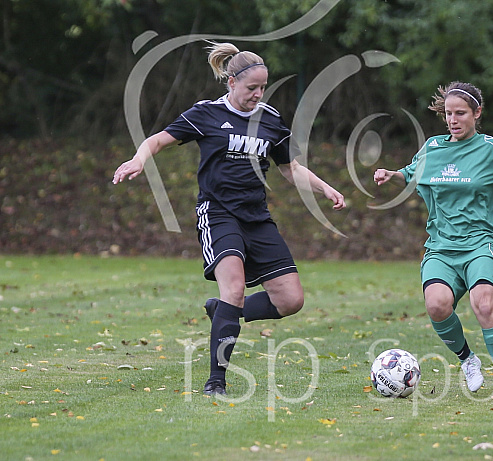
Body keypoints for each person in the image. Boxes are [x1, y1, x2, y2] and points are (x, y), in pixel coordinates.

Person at [113, 42, 345, 395]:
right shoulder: (205, 114)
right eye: (252, 87)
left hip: (257, 217)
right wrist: (138, 160)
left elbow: (290, 168)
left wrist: (325, 189)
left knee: (291, 300)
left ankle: (221, 311)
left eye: (263, 87)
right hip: (218, 214)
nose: (258, 94)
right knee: (233, 289)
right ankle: (215, 382)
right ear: (231, 82)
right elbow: (158, 141)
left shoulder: (270, 119)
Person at [373, 82, 493, 400]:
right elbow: (412, 172)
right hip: (440, 246)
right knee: (436, 306)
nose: (453, 119)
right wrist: (391, 174)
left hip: (482, 244)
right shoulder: (433, 148)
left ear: (477, 113)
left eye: (461, 113)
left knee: (485, 305)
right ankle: (468, 360)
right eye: (449, 113)